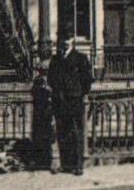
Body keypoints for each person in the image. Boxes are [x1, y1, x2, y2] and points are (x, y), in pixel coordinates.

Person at [47, 36, 95, 175]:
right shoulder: (56, 59)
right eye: (62, 41)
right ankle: (66, 164)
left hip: (74, 100)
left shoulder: (80, 58)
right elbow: (51, 79)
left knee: (76, 132)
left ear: (72, 42)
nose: (64, 44)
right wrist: (58, 91)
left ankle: (78, 166)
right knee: (62, 133)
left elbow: (87, 79)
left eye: (67, 41)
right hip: (60, 101)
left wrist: (79, 93)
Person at [25, 57, 55, 171]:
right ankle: (41, 161)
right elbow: (34, 94)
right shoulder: (38, 81)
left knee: (47, 137)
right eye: (42, 71)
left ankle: (46, 161)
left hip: (46, 112)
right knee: (41, 137)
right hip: (40, 112)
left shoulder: (49, 81)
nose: (43, 73)